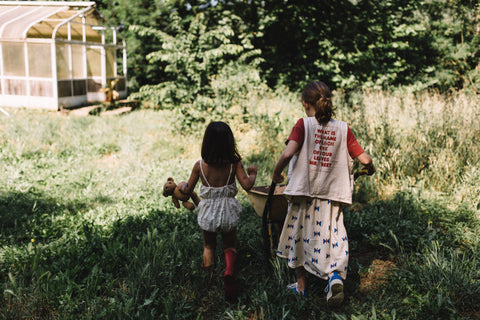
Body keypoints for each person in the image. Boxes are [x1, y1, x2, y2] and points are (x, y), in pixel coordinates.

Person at [272, 81, 375, 307]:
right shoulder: (343, 129)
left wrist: (276, 172)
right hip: (331, 196)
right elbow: (365, 159)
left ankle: (301, 286)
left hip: (303, 194)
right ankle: (334, 277)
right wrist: (370, 167)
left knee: (298, 235)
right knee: (333, 236)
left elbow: (288, 152)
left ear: (305, 103)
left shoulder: (303, 125)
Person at [179, 121, 257, 302]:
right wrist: (252, 173)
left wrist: (181, 186)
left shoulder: (199, 166)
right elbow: (247, 185)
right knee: (229, 245)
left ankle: (208, 279)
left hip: (208, 212)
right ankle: (229, 270)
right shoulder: (234, 163)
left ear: (207, 143)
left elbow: (187, 191)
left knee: (208, 246)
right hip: (228, 211)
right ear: (230, 143)